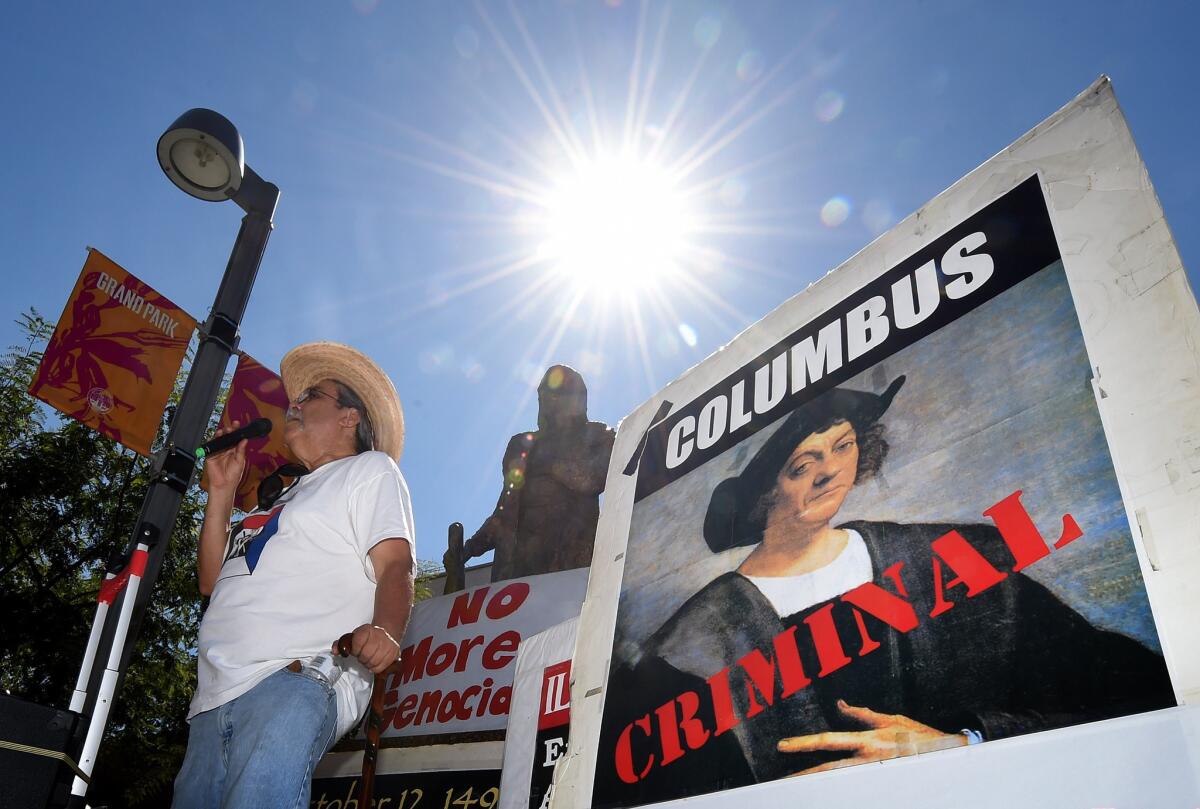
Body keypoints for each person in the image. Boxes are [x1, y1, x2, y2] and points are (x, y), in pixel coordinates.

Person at [594, 376, 1174, 807]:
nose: (829, 473)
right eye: (802, 464)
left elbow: (1137, 692)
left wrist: (965, 744)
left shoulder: (940, 559)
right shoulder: (691, 645)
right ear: (764, 494)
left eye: (842, 447)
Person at [173, 341, 416, 809]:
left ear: (349, 417)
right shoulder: (280, 497)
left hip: (294, 675)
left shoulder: (369, 471)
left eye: (312, 397)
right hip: (211, 699)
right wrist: (221, 493)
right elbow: (211, 582)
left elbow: (395, 564)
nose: (294, 405)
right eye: (296, 398)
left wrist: (386, 629)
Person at [454, 365, 614, 582]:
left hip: (570, 566)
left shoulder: (597, 435)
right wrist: (469, 549)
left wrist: (549, 462)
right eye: (546, 393)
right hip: (515, 575)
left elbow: (593, 479)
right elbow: (505, 512)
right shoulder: (521, 444)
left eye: (561, 391)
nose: (552, 399)